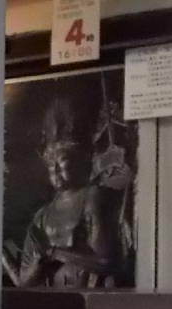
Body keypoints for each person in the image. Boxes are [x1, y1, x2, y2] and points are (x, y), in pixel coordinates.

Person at [6, 99, 124, 287]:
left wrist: (55, 253)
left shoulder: (91, 197)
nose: (55, 170)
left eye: (62, 162)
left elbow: (105, 262)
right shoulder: (41, 217)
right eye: (50, 166)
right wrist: (39, 264)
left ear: (79, 161)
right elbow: (24, 282)